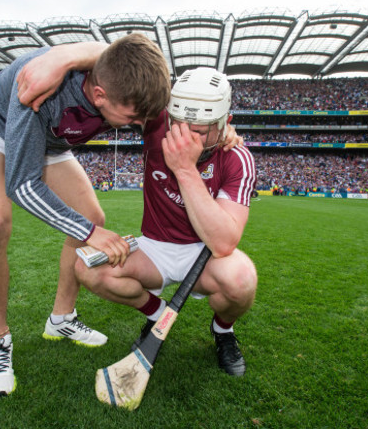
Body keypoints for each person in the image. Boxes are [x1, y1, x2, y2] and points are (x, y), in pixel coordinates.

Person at [19, 56, 258, 376]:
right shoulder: (157, 122)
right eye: (180, 125)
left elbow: (224, 243)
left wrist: (185, 169)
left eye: (200, 131)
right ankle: (158, 315)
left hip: (203, 255)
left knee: (242, 280)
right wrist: (62, 62)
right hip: (154, 246)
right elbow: (125, 66)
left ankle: (223, 332)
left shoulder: (236, 157)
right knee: (87, 267)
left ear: (223, 123)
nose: (187, 137)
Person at [0, 33, 171, 397]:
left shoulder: (118, 81)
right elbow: (22, 185)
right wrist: (91, 233)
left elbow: (110, 55)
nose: (139, 123)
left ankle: (60, 320)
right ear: (99, 95)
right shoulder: (39, 85)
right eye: (134, 116)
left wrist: (222, 133)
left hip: (50, 140)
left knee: (93, 213)